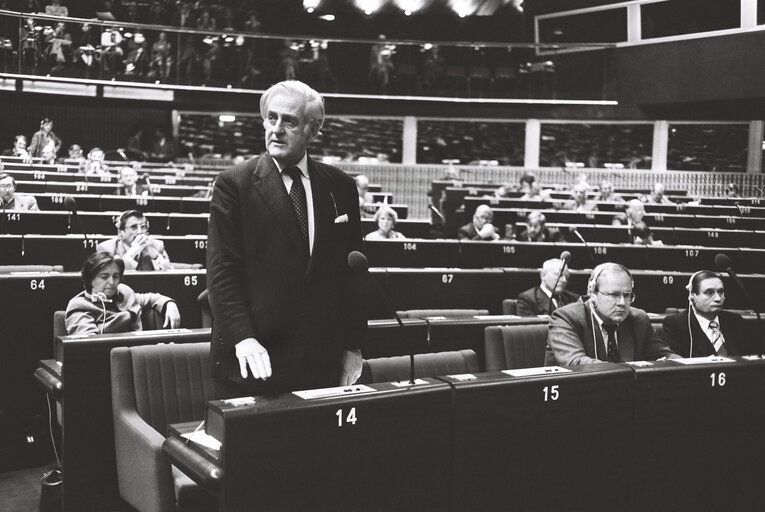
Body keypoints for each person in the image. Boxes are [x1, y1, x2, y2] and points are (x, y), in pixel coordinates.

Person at [207, 80, 366, 398]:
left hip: (321, 363)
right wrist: (243, 337)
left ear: (313, 129)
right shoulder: (234, 185)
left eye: (289, 121)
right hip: (254, 359)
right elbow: (223, 271)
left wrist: (353, 346)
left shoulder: (340, 186)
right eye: (271, 118)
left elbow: (351, 276)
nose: (276, 129)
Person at [545, 262, 678, 365]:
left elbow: (665, 354)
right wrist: (632, 369)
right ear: (592, 294)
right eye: (614, 295)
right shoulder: (565, 318)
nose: (622, 302)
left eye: (627, 295)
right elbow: (577, 364)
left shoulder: (638, 319)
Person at [65, 251, 180, 335]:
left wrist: (169, 304)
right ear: (90, 279)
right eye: (104, 277)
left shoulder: (124, 292)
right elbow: (90, 344)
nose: (112, 282)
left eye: (116, 276)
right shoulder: (79, 306)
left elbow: (151, 298)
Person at [662, 270, 755, 358]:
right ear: (693, 298)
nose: (718, 298)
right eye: (709, 292)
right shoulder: (676, 324)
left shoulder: (735, 320)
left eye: (720, 292)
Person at [96, 210, 172, 270]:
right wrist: (132, 253)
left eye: (143, 227)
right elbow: (110, 277)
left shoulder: (157, 245)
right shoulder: (106, 249)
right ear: (121, 233)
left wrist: (155, 255)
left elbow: (170, 272)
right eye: (133, 227)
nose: (140, 232)